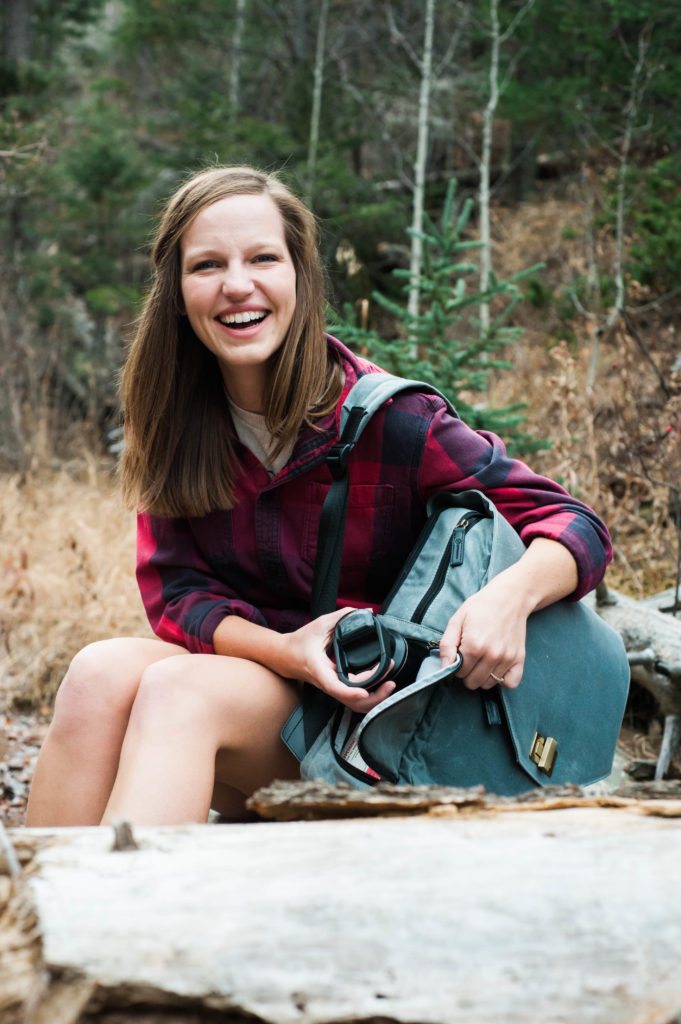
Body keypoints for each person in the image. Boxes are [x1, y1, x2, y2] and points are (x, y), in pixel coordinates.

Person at [26, 165, 611, 827]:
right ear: (176, 291)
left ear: (300, 276)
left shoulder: (393, 420)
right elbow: (176, 593)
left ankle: (138, 925)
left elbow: (575, 524)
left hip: (382, 732)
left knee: (178, 690)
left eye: (262, 258)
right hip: (276, 694)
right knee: (95, 674)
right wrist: (289, 651)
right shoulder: (180, 422)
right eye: (207, 265)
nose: (236, 285)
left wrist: (508, 597)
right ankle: (34, 921)